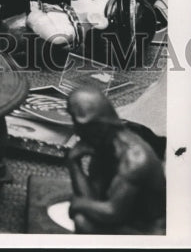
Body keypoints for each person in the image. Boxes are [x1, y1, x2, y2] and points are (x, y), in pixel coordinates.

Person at [66, 85, 166, 234]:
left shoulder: (134, 159)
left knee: (83, 222)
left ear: (98, 128)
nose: (76, 131)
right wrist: (74, 164)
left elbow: (113, 213)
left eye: (79, 126)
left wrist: (77, 204)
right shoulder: (105, 146)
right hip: (128, 217)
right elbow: (93, 198)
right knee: (83, 218)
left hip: (149, 228)